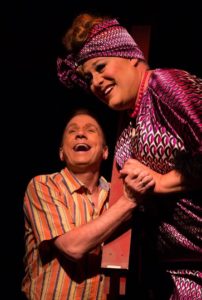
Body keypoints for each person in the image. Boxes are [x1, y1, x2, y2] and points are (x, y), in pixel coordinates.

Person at [56, 13, 202, 299]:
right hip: (181, 274)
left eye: (100, 67)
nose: (96, 82)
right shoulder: (124, 142)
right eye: (89, 78)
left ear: (130, 56)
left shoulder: (165, 85)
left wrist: (160, 182)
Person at [21, 108, 154, 300]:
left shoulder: (116, 195)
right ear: (61, 153)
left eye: (90, 130)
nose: (80, 133)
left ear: (105, 151)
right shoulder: (43, 185)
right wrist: (129, 202)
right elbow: (72, 247)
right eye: (72, 131)